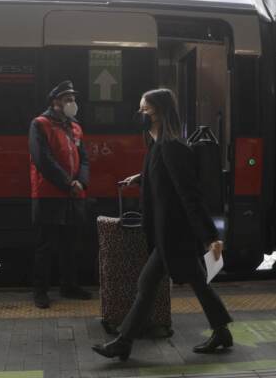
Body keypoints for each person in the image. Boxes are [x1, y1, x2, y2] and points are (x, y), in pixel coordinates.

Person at [92, 88, 233, 360]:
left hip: (175, 234)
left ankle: (124, 342)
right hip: (168, 233)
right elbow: (163, 179)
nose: (141, 114)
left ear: (160, 112)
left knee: (149, 285)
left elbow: (189, 194)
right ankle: (221, 330)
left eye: (145, 109)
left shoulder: (171, 147)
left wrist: (209, 235)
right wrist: (140, 177)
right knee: (193, 282)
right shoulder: (157, 146)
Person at [28, 80, 92, 309]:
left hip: (74, 194)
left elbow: (83, 158)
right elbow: (42, 160)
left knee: (71, 243)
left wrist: (81, 183)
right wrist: (68, 184)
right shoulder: (40, 124)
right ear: (55, 102)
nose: (72, 103)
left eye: (73, 99)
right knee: (45, 245)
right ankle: (40, 292)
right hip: (48, 194)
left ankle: (69, 286)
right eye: (68, 99)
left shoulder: (75, 126)